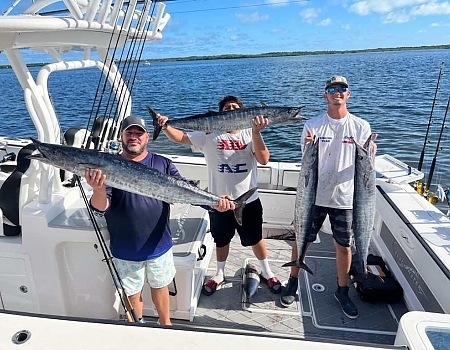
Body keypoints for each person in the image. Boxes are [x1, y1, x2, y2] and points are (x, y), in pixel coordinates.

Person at [85, 115, 234, 326]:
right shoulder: (109, 165)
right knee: (132, 294)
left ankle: (166, 326)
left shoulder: (162, 163)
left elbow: (185, 190)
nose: (134, 137)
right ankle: (138, 328)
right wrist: (98, 189)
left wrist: (214, 202)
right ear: (121, 136)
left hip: (159, 244)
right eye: (129, 133)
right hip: (125, 247)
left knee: (161, 287)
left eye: (139, 133)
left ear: (147, 137)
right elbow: (101, 207)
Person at [155, 96, 282, 296]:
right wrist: (164, 126)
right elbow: (181, 138)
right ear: (221, 113)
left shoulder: (250, 133)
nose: (231, 109)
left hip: (249, 200)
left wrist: (257, 132)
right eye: (226, 107)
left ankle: (267, 271)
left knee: (256, 238)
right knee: (221, 240)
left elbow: (264, 159)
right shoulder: (208, 134)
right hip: (219, 202)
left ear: (243, 112)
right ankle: (220, 273)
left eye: (235, 107)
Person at [280, 75, 376, 319]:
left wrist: (370, 154)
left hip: (345, 198)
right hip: (313, 197)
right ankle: (293, 280)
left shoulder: (361, 126)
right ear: (325, 95)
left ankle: (342, 290)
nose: (337, 93)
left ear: (348, 94)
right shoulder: (313, 125)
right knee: (302, 241)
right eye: (332, 89)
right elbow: (307, 163)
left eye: (342, 88)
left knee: (344, 247)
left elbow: (365, 165)